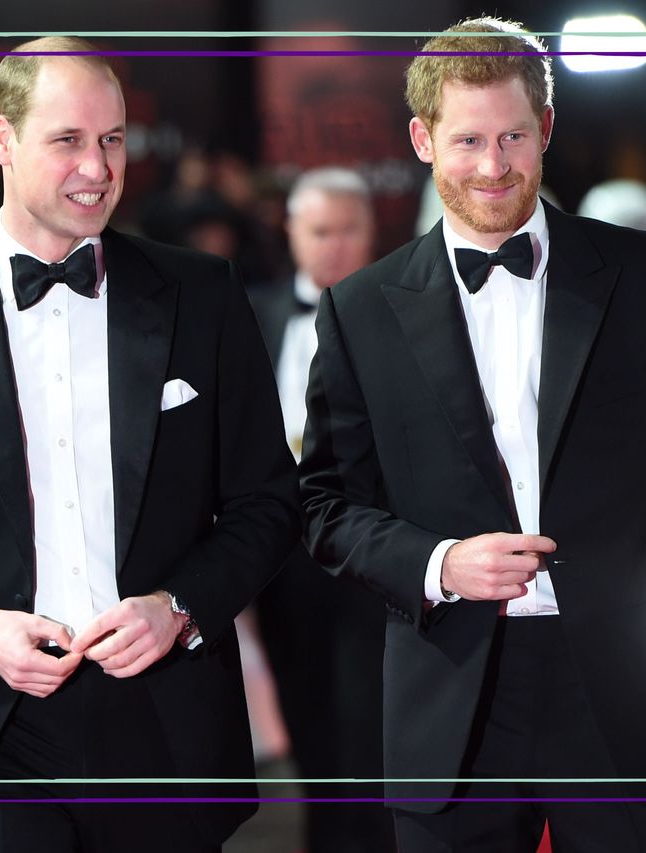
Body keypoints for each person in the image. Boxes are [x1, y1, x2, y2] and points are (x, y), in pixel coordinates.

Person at [299, 18, 646, 853]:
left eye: (513, 137)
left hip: (628, 694)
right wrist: (437, 563)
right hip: (450, 702)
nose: (493, 167)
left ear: (547, 129)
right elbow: (323, 507)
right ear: (422, 140)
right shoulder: (360, 309)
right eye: (468, 140)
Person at [0, 37, 298, 851]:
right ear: (4, 140)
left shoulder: (201, 293)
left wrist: (178, 609)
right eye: (67, 140)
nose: (98, 168)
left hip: (163, 723)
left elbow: (267, 503)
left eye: (112, 140)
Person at [249, 168, 394, 852]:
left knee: (373, 725)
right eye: (320, 230)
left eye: (349, 229)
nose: (335, 245)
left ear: (373, 230)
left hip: (378, 554)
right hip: (282, 559)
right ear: (291, 234)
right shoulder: (253, 312)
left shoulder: (406, 310)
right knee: (306, 720)